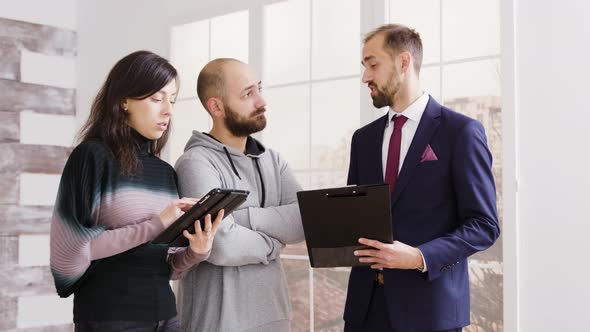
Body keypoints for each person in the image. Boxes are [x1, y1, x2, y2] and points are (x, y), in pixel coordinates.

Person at [49, 50, 222, 331]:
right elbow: (71, 250)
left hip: (166, 316)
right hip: (110, 317)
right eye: (157, 99)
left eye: (172, 100)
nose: (168, 110)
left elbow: (167, 266)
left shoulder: (165, 172)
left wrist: (196, 252)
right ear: (124, 101)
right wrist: (157, 224)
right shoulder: (91, 157)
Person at [344, 24, 501, 332]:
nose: (365, 77)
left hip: (429, 312)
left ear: (404, 62)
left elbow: (484, 225)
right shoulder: (363, 139)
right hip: (364, 310)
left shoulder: (461, 133)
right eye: (364, 67)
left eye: (372, 65)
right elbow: (357, 217)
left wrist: (418, 257)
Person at [174, 58, 304, 332]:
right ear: (216, 106)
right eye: (248, 94)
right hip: (217, 324)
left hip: (275, 320)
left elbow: (304, 221)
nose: (261, 101)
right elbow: (220, 245)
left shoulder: (273, 161)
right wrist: (273, 244)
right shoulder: (195, 163)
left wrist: (240, 218)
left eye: (259, 88)